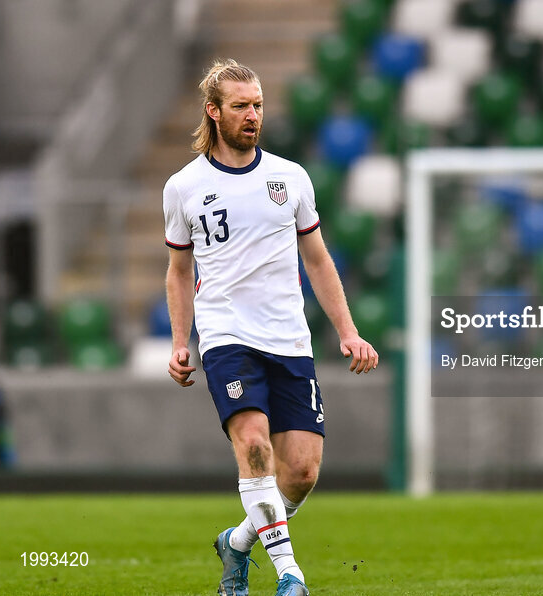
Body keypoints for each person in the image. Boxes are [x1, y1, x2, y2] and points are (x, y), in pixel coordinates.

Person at [164, 59, 379, 596]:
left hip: (288, 338)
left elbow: (320, 260)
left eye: (258, 104)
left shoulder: (290, 177)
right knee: (254, 444)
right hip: (226, 336)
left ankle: (237, 542)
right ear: (213, 112)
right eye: (240, 105)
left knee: (301, 472)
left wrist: (347, 331)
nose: (253, 115)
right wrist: (179, 342)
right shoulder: (183, 187)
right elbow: (177, 269)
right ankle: (290, 575)